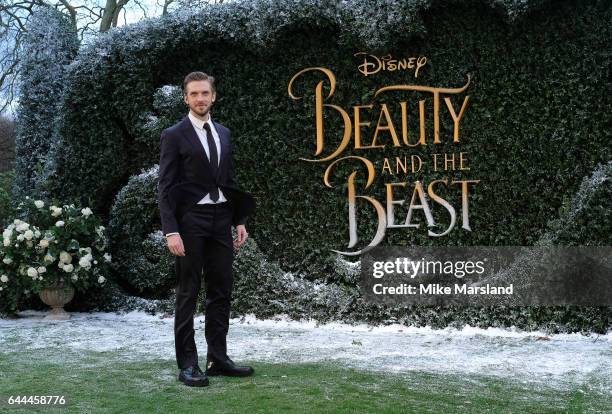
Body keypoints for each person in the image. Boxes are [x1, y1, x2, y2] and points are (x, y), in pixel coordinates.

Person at [158, 71, 256, 387]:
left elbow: (229, 180)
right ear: (186, 98)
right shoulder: (174, 135)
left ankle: (218, 358)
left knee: (221, 291)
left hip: (221, 222)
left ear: (213, 96)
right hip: (190, 223)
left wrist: (239, 219)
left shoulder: (224, 133)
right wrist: (171, 231)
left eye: (205, 93)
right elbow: (165, 187)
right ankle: (187, 364)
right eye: (194, 94)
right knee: (188, 292)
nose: (200, 99)